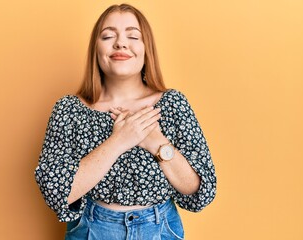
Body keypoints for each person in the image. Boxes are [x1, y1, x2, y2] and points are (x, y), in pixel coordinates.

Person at [35, 3, 216, 240]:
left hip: (161, 230)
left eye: (132, 36)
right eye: (108, 36)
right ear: (95, 50)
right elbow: (56, 192)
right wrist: (119, 140)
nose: (120, 43)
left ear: (146, 49)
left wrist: (157, 144)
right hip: (91, 230)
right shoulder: (69, 109)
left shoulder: (173, 103)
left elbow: (200, 190)